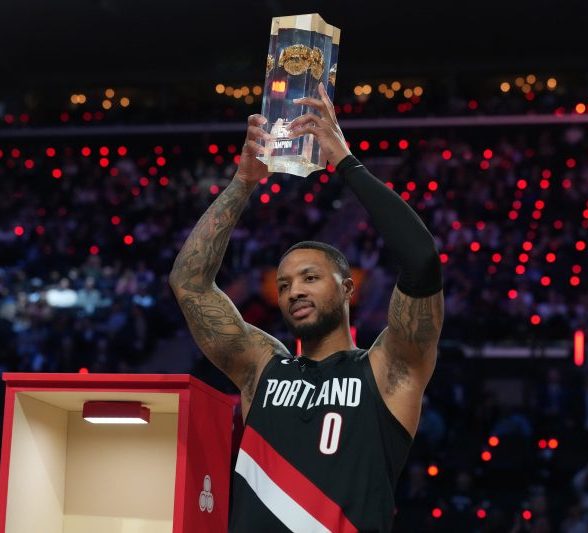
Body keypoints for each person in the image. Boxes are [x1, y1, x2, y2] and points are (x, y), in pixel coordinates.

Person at [169, 82, 444, 532]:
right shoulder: (262, 367)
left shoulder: (388, 369)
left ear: (347, 288)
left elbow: (421, 261)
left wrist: (345, 162)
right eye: (284, 284)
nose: (294, 290)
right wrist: (242, 183)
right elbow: (189, 284)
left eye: (310, 278)